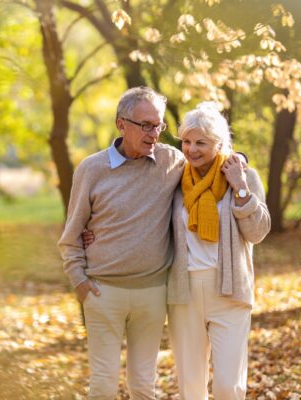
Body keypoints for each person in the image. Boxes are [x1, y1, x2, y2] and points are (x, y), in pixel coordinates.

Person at [58, 86, 187, 400]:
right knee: (103, 385)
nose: (153, 133)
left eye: (158, 125)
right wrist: (80, 282)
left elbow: (208, 157)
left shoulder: (171, 162)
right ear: (121, 124)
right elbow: (72, 236)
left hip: (153, 294)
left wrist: (239, 159)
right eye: (145, 125)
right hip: (103, 293)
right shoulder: (92, 169)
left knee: (144, 386)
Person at [166, 102, 270, 399]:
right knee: (191, 386)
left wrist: (239, 188)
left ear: (220, 144)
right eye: (186, 141)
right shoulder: (176, 178)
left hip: (230, 291)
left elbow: (258, 232)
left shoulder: (244, 175)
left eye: (201, 142)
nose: (191, 149)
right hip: (184, 293)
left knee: (228, 386)